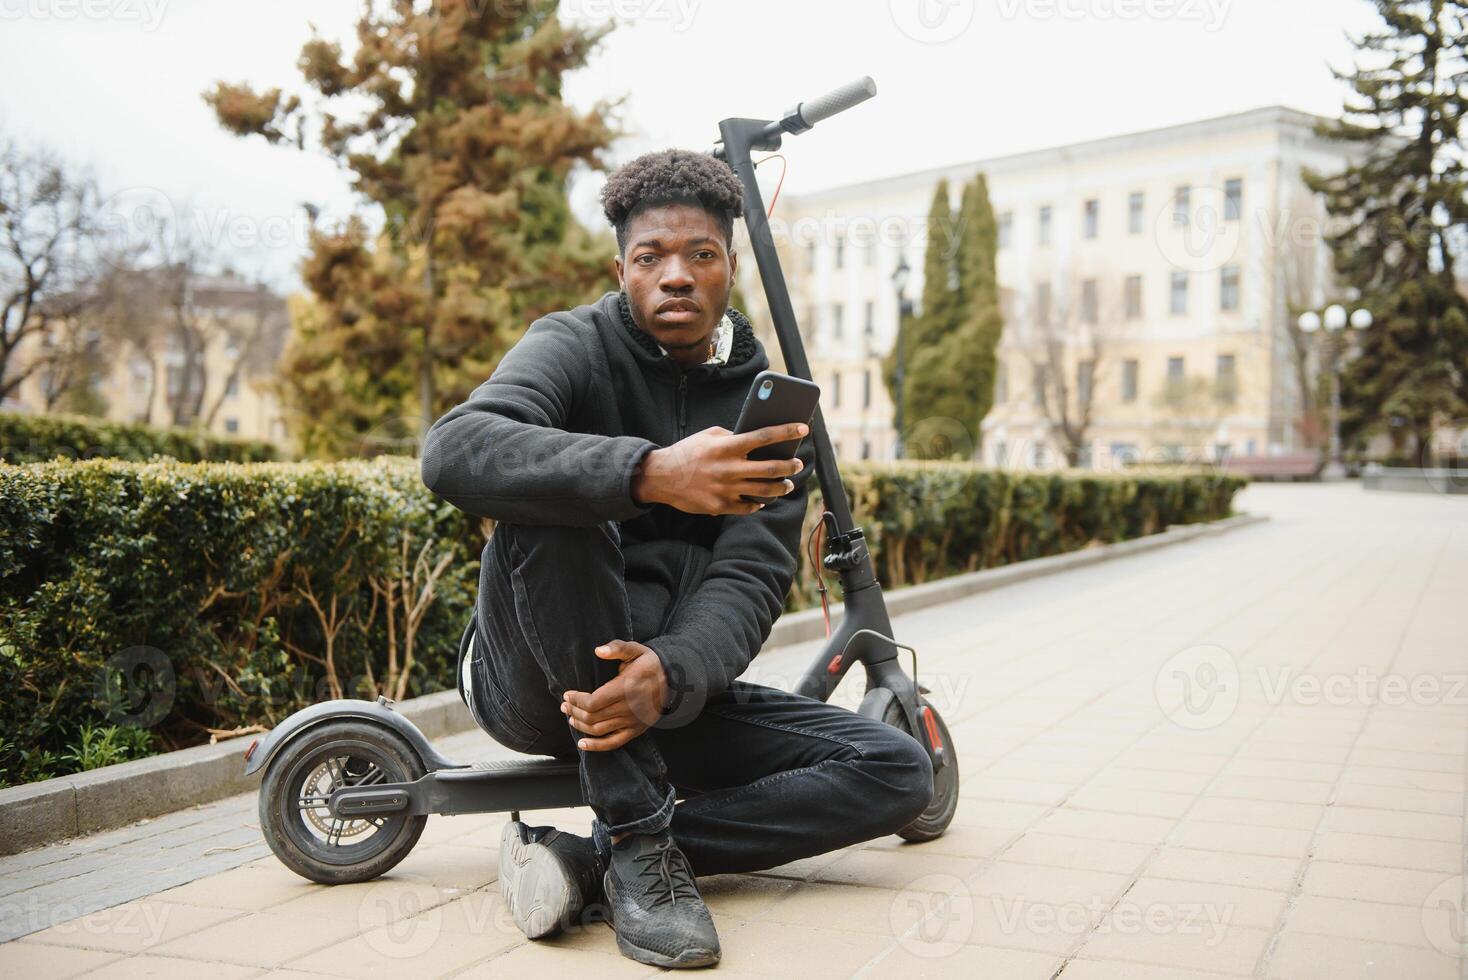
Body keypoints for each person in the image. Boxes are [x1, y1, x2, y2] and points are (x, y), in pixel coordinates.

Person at [420, 148, 933, 970]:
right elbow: (453, 452)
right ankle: (634, 834)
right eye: (651, 256)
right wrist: (651, 474)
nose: (677, 277)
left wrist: (672, 671)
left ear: (730, 266)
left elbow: (751, 574)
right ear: (619, 267)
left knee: (896, 770)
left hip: (660, 693)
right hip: (530, 681)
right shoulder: (571, 345)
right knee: (562, 501)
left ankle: (599, 859)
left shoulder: (764, 405)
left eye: (701, 255)